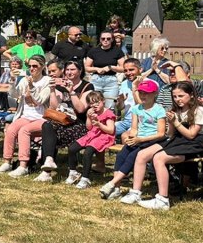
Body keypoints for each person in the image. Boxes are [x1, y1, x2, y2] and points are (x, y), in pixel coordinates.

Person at [136, 82, 203, 210]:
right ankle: (135, 192)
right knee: (143, 154)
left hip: (194, 143)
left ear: (191, 96)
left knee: (159, 158)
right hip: (178, 139)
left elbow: (191, 135)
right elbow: (171, 134)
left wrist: (176, 122)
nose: (178, 99)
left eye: (181, 96)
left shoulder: (199, 110)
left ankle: (162, 199)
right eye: (175, 96)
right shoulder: (175, 110)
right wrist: (171, 123)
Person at [99, 78, 167, 200]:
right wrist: (132, 137)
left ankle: (112, 183)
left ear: (155, 94)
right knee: (121, 156)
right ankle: (117, 189)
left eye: (146, 93)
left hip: (153, 140)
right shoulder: (136, 109)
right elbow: (134, 128)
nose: (143, 95)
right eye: (141, 92)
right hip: (138, 139)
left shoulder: (159, 110)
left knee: (132, 157)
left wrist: (140, 139)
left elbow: (161, 133)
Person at [34, 58, 94, 183]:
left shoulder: (87, 86)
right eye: (67, 70)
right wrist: (52, 90)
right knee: (47, 125)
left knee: (50, 131)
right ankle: (49, 160)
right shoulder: (61, 85)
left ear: (80, 70)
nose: (69, 72)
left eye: (72, 69)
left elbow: (81, 109)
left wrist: (71, 91)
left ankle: (46, 171)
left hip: (80, 125)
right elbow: (53, 108)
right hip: (63, 121)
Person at [0, 57, 51, 177]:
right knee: (10, 130)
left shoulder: (47, 81)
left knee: (24, 131)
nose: (32, 69)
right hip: (26, 116)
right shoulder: (25, 80)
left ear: (42, 67)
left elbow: (40, 100)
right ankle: (7, 161)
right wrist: (12, 80)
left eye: (35, 66)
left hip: (42, 118)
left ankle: (23, 165)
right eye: (30, 66)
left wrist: (31, 86)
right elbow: (15, 94)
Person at [65, 91, 116, 189]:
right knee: (72, 148)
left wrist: (99, 124)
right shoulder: (92, 112)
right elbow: (89, 128)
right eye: (92, 103)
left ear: (103, 101)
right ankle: (73, 172)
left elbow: (110, 130)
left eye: (97, 102)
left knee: (88, 152)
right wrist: (88, 117)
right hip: (92, 134)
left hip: (104, 136)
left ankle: (85, 178)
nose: (94, 105)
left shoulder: (108, 113)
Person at [84, 29, 124, 109]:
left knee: (110, 107)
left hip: (111, 81)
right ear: (100, 39)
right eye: (103, 38)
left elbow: (123, 68)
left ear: (112, 39)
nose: (105, 40)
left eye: (108, 38)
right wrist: (96, 69)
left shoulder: (117, 51)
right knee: (94, 105)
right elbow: (87, 67)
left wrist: (111, 67)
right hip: (96, 79)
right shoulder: (93, 51)